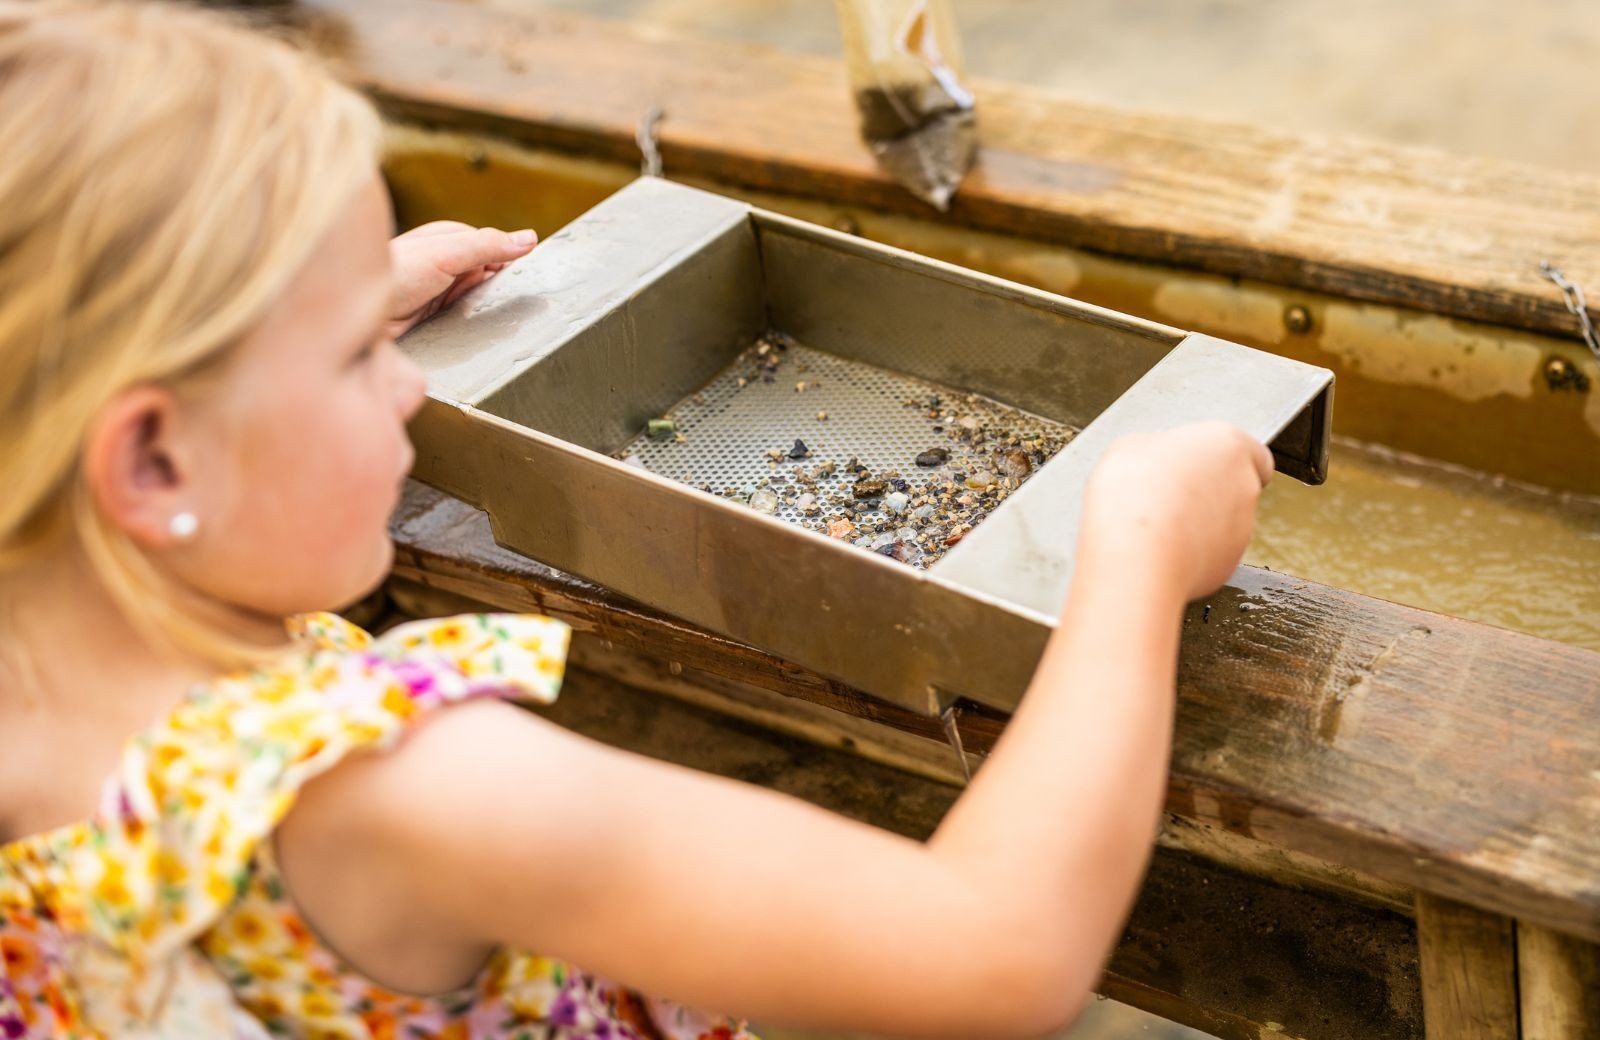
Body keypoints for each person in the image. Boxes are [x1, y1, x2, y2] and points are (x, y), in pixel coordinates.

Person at [0, 3, 1274, 1038]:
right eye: (350, 357)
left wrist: (302, 333)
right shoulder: (395, 794)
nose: (404, 380)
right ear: (153, 461)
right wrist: (1135, 556)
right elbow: (994, 955)